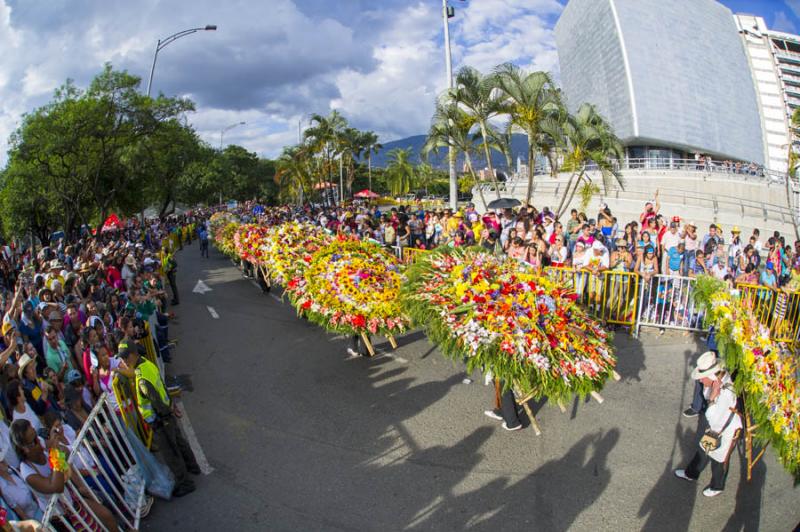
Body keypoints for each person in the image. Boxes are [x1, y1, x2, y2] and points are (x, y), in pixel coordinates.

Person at [119, 342, 199, 497]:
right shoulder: (147, 364)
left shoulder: (142, 379)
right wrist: (170, 405)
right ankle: (192, 466)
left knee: (170, 452)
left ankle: (185, 483)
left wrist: (161, 419)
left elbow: (155, 400)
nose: (123, 363)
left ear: (130, 356)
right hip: (166, 412)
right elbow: (161, 385)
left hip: (160, 420)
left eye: (124, 358)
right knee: (179, 441)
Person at [675, 352, 742, 497]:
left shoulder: (725, 392)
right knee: (703, 449)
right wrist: (711, 393)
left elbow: (713, 418)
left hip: (727, 429)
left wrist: (712, 398)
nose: (700, 381)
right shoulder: (717, 381)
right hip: (718, 426)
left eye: (702, 378)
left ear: (711, 376)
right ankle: (691, 474)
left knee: (720, 459)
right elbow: (707, 400)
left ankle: (717, 486)